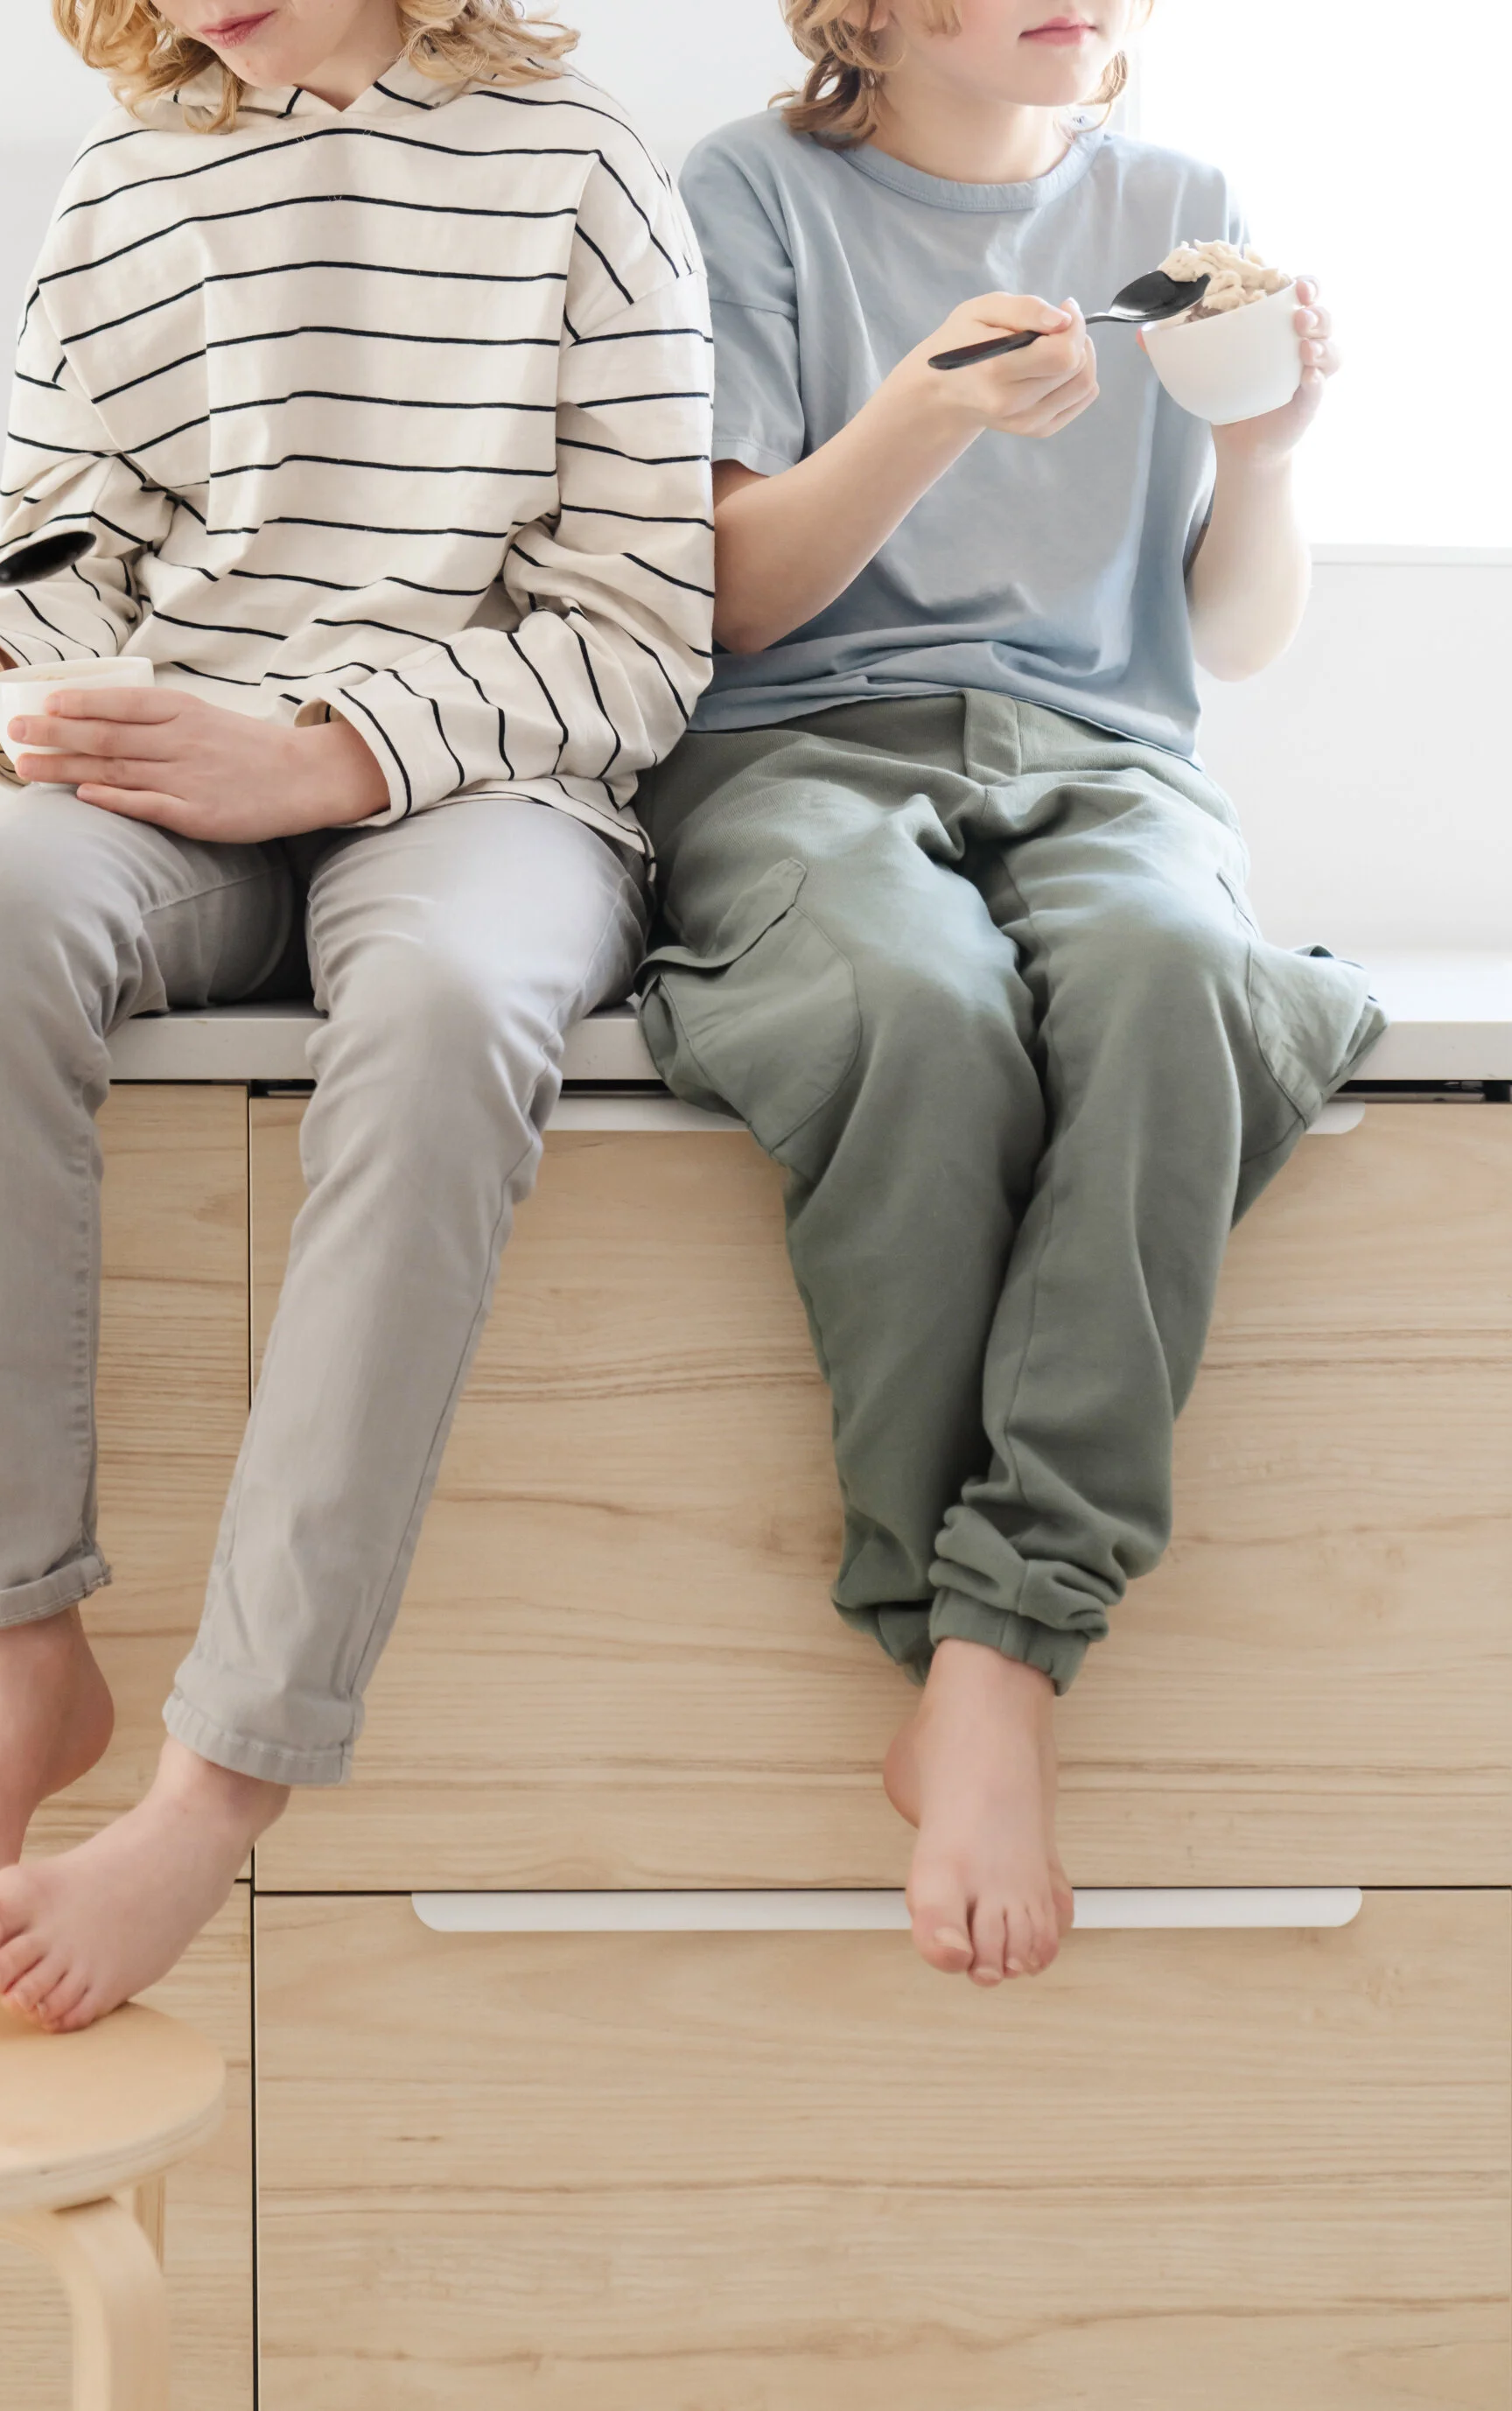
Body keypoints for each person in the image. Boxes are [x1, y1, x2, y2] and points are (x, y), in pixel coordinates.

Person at [0, 0, 712, 2032]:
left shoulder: (581, 163)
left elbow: (642, 635)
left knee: (452, 1005)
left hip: (483, 796)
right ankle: (15, 1658)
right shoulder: (128, 183)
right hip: (166, 785)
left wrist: (318, 754)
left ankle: (220, 1783)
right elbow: (71, 576)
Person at [639, 0, 1382, 1989]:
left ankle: (997, 1647)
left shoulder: (1179, 202)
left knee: (1181, 981)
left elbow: (1220, 640)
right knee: (912, 1011)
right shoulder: (749, 195)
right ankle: (975, 1638)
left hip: (1109, 763)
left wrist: (1265, 454)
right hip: (801, 753)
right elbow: (733, 595)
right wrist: (931, 410)